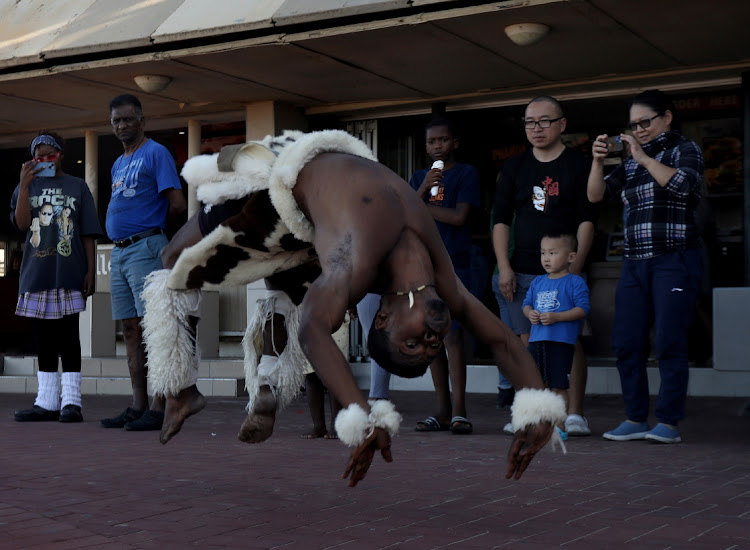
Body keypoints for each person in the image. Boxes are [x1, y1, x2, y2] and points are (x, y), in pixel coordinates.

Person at [140, 130, 567, 487]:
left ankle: (189, 390)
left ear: (385, 317)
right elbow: (504, 341)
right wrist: (541, 409)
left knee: (174, 263)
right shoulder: (444, 285)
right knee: (277, 282)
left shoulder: (356, 264)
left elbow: (313, 330)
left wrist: (361, 417)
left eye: (415, 342)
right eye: (430, 345)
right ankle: (208, 389)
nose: (433, 338)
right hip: (304, 175)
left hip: (287, 196)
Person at [587, 89, 704, 444]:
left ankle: (668, 423)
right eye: (634, 124)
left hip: (674, 259)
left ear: (667, 117)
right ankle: (635, 418)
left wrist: (641, 156)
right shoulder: (631, 164)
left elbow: (684, 184)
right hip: (635, 263)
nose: (639, 129)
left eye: (645, 122)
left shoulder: (685, 149)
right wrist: (596, 162)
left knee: (669, 341)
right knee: (626, 342)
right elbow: (595, 196)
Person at [493, 96, 597, 436]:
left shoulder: (578, 165)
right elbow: (500, 220)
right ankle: (534, 413)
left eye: (544, 121)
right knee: (528, 345)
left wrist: (574, 269)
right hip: (522, 268)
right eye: (529, 122)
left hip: (565, 269)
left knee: (568, 339)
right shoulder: (514, 167)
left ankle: (574, 415)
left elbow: (586, 220)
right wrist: (504, 267)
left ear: (562, 125)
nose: (536, 128)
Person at [99, 94, 186, 431]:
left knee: (155, 328)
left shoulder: (157, 153)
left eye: (127, 119)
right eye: (116, 121)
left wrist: (157, 235)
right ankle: (138, 404)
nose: (122, 125)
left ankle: (159, 405)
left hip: (147, 247)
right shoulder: (118, 163)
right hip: (120, 253)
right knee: (130, 329)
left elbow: (177, 204)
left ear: (141, 121)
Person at [11, 132, 103, 423]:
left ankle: (72, 402)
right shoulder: (26, 186)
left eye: (50, 156)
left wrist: (90, 271)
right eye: (39, 158)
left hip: (69, 271)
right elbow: (22, 224)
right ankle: (47, 401)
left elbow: (88, 233)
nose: (45, 162)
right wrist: (25, 186)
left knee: (68, 337)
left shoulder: (77, 187)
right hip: (37, 272)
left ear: (61, 154)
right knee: (43, 339)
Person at [410, 118, 480, 435]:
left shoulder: (466, 174)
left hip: (456, 266)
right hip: (424, 269)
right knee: (432, 339)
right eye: (431, 142)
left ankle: (460, 410)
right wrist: (422, 191)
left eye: (443, 140)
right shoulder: (417, 178)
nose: (437, 146)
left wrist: (420, 205)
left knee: (453, 336)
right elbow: (405, 218)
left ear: (455, 143)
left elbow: (459, 216)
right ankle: (441, 409)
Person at [522, 233, 590, 440]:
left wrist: (557, 317)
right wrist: (530, 313)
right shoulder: (538, 282)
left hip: (561, 342)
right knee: (536, 384)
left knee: (558, 385)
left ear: (571, 257)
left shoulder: (575, 282)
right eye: (543, 253)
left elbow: (583, 309)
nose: (546, 258)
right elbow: (526, 304)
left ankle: (560, 426)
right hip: (537, 340)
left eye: (553, 253)